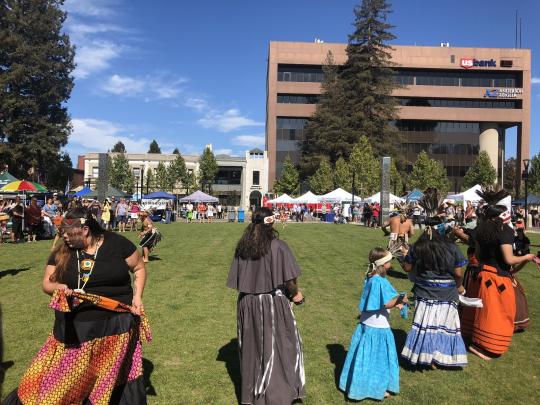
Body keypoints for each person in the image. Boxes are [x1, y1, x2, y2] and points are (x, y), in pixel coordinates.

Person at [3, 208, 150, 404]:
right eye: (62, 233)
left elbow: (139, 268)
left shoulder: (117, 243)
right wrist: (60, 287)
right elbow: (47, 283)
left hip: (116, 328)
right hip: (76, 330)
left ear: (85, 230)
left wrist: (137, 297)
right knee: (62, 382)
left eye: (69, 233)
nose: (65, 238)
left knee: (106, 380)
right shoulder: (63, 251)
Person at [227, 207, 305, 404]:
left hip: (246, 303)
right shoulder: (278, 246)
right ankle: (276, 395)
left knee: (252, 349)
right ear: (271, 223)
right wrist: (296, 295)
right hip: (269, 303)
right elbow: (290, 280)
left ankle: (254, 395)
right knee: (280, 347)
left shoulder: (243, 246)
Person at [401, 189, 468, 368]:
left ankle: (426, 356)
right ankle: (441, 357)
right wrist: (458, 286)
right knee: (443, 326)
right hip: (447, 293)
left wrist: (405, 257)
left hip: (425, 292)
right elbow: (459, 273)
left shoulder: (418, 246)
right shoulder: (451, 246)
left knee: (426, 325)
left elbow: (407, 267)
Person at [468, 190, 535, 359]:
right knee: (499, 314)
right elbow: (509, 258)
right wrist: (527, 256)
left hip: (482, 275)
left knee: (484, 311)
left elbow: (478, 254)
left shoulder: (480, 231)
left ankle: (476, 341)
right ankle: (489, 348)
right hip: (497, 279)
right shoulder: (504, 231)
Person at [339, 248, 405, 401]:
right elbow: (386, 303)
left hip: (368, 325)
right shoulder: (377, 281)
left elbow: (377, 300)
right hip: (377, 328)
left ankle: (357, 384)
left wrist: (397, 304)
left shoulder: (371, 277)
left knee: (365, 357)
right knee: (376, 359)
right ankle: (374, 388)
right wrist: (400, 300)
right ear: (383, 263)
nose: (391, 262)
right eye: (389, 260)